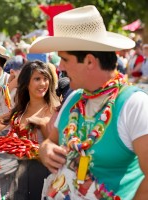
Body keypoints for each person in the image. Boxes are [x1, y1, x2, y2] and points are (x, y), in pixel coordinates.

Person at [30, 5, 148, 199]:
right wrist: (45, 150)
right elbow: (50, 141)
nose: (60, 67)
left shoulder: (135, 105)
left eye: (65, 59)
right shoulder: (75, 99)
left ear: (90, 61)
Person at [7, 60, 60, 200]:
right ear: (26, 82)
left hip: (43, 175)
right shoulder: (21, 108)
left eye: (45, 79)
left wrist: (43, 125)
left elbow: (57, 146)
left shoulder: (55, 110)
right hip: (17, 174)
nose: (43, 84)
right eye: (37, 79)